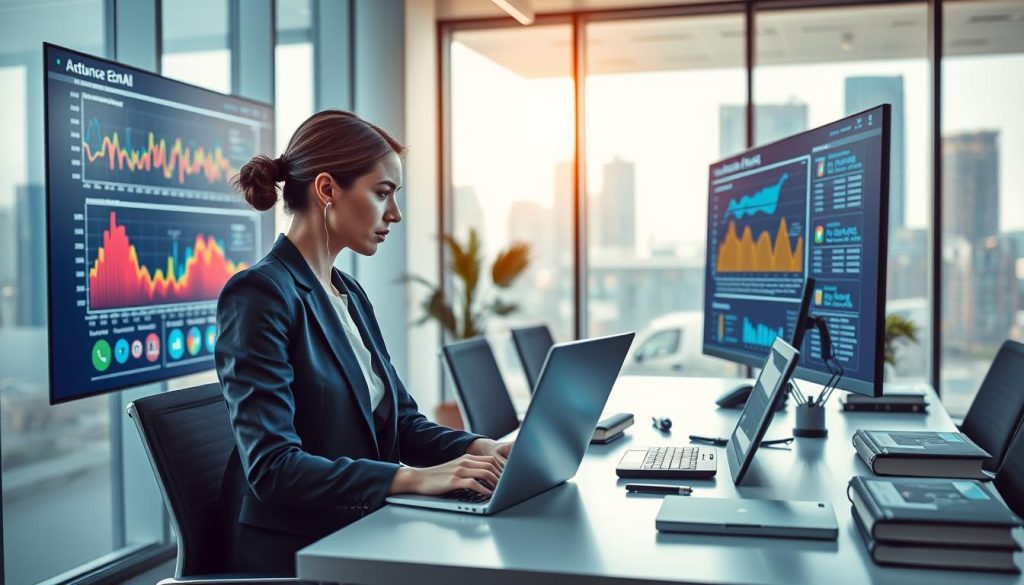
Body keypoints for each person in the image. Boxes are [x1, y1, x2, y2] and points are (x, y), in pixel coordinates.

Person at [215, 110, 511, 575]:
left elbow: (403, 425)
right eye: (382, 193)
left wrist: (480, 449)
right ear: (328, 189)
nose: (394, 213)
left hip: (363, 528)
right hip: (299, 552)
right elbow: (273, 468)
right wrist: (412, 479)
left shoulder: (348, 293)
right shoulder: (259, 294)